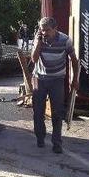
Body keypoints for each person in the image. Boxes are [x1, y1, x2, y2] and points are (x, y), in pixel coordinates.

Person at [30, 16, 79, 154]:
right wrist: (38, 43)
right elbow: (34, 59)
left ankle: (57, 143)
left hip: (57, 79)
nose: (44, 32)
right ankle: (40, 137)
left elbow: (74, 60)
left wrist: (75, 79)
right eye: (42, 30)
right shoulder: (38, 39)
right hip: (39, 78)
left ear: (55, 29)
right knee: (38, 111)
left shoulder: (65, 40)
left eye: (47, 30)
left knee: (57, 112)